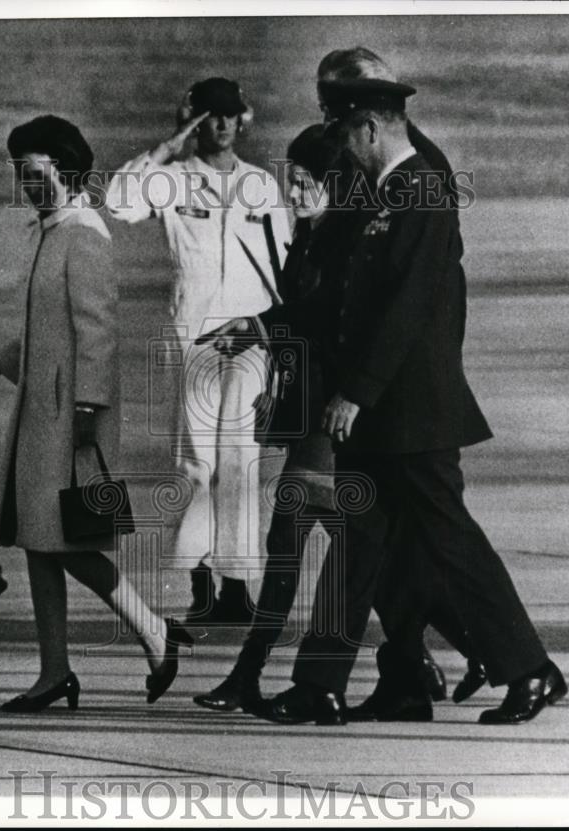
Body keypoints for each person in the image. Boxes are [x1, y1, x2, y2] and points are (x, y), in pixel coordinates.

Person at [237, 56, 566, 726]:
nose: (341, 151)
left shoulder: (420, 189)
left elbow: (408, 307)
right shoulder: (383, 192)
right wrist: (268, 327)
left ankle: (529, 668)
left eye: (343, 132)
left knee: (451, 542)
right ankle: (325, 684)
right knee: (360, 545)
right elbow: (341, 297)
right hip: (379, 411)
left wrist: (354, 391)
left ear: (366, 127)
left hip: (413, 410)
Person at [0, 115, 190, 712]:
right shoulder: (50, 230)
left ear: (67, 170)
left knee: (65, 540)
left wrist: (88, 411)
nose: (26, 186)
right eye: (19, 175)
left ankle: (152, 630)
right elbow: (41, 334)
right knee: (40, 541)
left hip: (72, 418)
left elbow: (98, 332)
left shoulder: (84, 233)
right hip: (44, 413)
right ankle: (55, 670)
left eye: (34, 174)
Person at [105, 78, 290, 625]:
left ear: (245, 118)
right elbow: (119, 203)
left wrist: (280, 339)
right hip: (193, 339)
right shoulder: (175, 180)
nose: (224, 124)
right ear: (195, 120)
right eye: (212, 115)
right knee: (196, 465)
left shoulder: (261, 185)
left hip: (253, 339)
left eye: (232, 113)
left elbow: (287, 261)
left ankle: (236, 590)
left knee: (241, 460)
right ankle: (201, 588)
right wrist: (167, 145)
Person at [192, 125, 355, 713]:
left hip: (337, 424)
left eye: (310, 178)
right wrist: (278, 381)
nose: (297, 188)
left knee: (303, 548)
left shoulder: (345, 241)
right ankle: (419, 660)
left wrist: (260, 328)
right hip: (309, 416)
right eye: (294, 177)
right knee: (332, 554)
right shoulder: (308, 236)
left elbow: (324, 321)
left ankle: (247, 675)